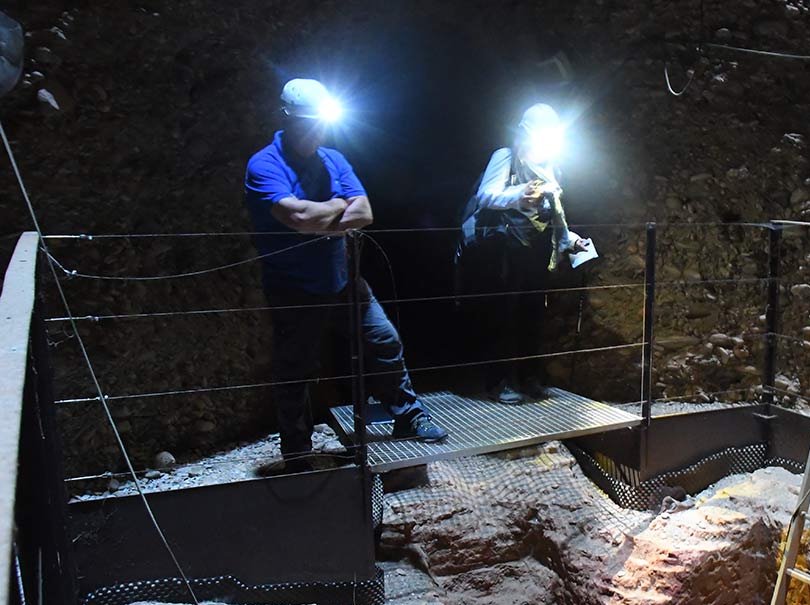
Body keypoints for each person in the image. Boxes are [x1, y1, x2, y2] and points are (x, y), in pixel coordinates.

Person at [245, 78, 447, 467]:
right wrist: (338, 206)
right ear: (287, 118)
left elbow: (364, 212)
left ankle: (408, 416)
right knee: (296, 366)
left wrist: (318, 217)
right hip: (293, 286)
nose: (317, 128)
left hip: (343, 280)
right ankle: (297, 450)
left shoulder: (333, 159)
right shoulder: (264, 164)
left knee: (383, 341)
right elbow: (297, 216)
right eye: (309, 121)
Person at [459, 103, 591, 404]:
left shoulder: (552, 165)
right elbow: (486, 195)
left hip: (535, 251)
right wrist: (518, 194)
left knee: (532, 314)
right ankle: (499, 381)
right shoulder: (507, 157)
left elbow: (552, 213)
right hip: (505, 249)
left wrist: (570, 239)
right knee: (503, 314)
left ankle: (530, 378)